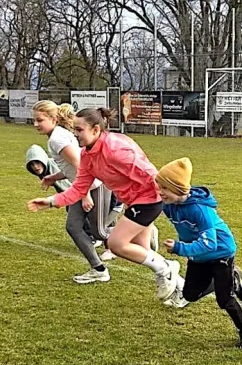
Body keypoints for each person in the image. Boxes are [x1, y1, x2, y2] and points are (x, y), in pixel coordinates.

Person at [26, 107, 179, 300]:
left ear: (96, 130)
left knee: (116, 244)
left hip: (149, 200)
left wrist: (174, 196)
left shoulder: (115, 150)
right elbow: (78, 189)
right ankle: (181, 288)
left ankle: (167, 268)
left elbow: (149, 173)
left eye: (79, 130)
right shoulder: (88, 157)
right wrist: (50, 201)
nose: (75, 134)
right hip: (134, 202)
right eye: (74, 129)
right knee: (143, 250)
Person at [156, 157, 242, 351]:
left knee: (224, 299)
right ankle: (229, 281)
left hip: (220, 253)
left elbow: (210, 244)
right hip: (199, 255)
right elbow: (148, 204)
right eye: (158, 186)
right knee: (190, 295)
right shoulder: (167, 204)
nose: (160, 192)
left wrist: (180, 248)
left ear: (178, 189)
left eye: (164, 188)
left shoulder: (200, 210)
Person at [28, 100, 116, 284]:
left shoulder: (57, 138)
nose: (35, 124)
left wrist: (84, 194)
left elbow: (79, 165)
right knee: (73, 227)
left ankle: (141, 236)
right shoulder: (58, 135)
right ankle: (99, 269)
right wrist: (54, 178)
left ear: (53, 119)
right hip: (82, 186)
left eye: (39, 120)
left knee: (99, 232)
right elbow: (72, 167)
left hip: (94, 186)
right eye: (34, 120)